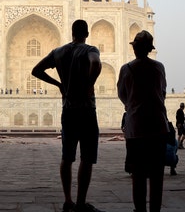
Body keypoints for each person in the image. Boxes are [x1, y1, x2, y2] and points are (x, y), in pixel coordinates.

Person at [32, 19, 102, 212]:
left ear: (71, 32)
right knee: (86, 157)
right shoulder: (90, 49)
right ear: (86, 33)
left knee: (67, 156)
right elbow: (95, 63)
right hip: (87, 109)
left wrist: (58, 84)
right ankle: (80, 203)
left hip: (68, 109)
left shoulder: (59, 52)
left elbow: (36, 70)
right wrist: (89, 83)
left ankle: (67, 200)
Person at [117, 30, 169, 212]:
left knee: (138, 175)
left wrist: (133, 105)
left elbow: (122, 95)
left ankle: (140, 210)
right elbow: (162, 92)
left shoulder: (127, 68)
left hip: (136, 126)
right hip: (158, 125)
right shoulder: (159, 67)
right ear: (149, 49)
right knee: (157, 175)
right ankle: (155, 209)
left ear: (135, 48)